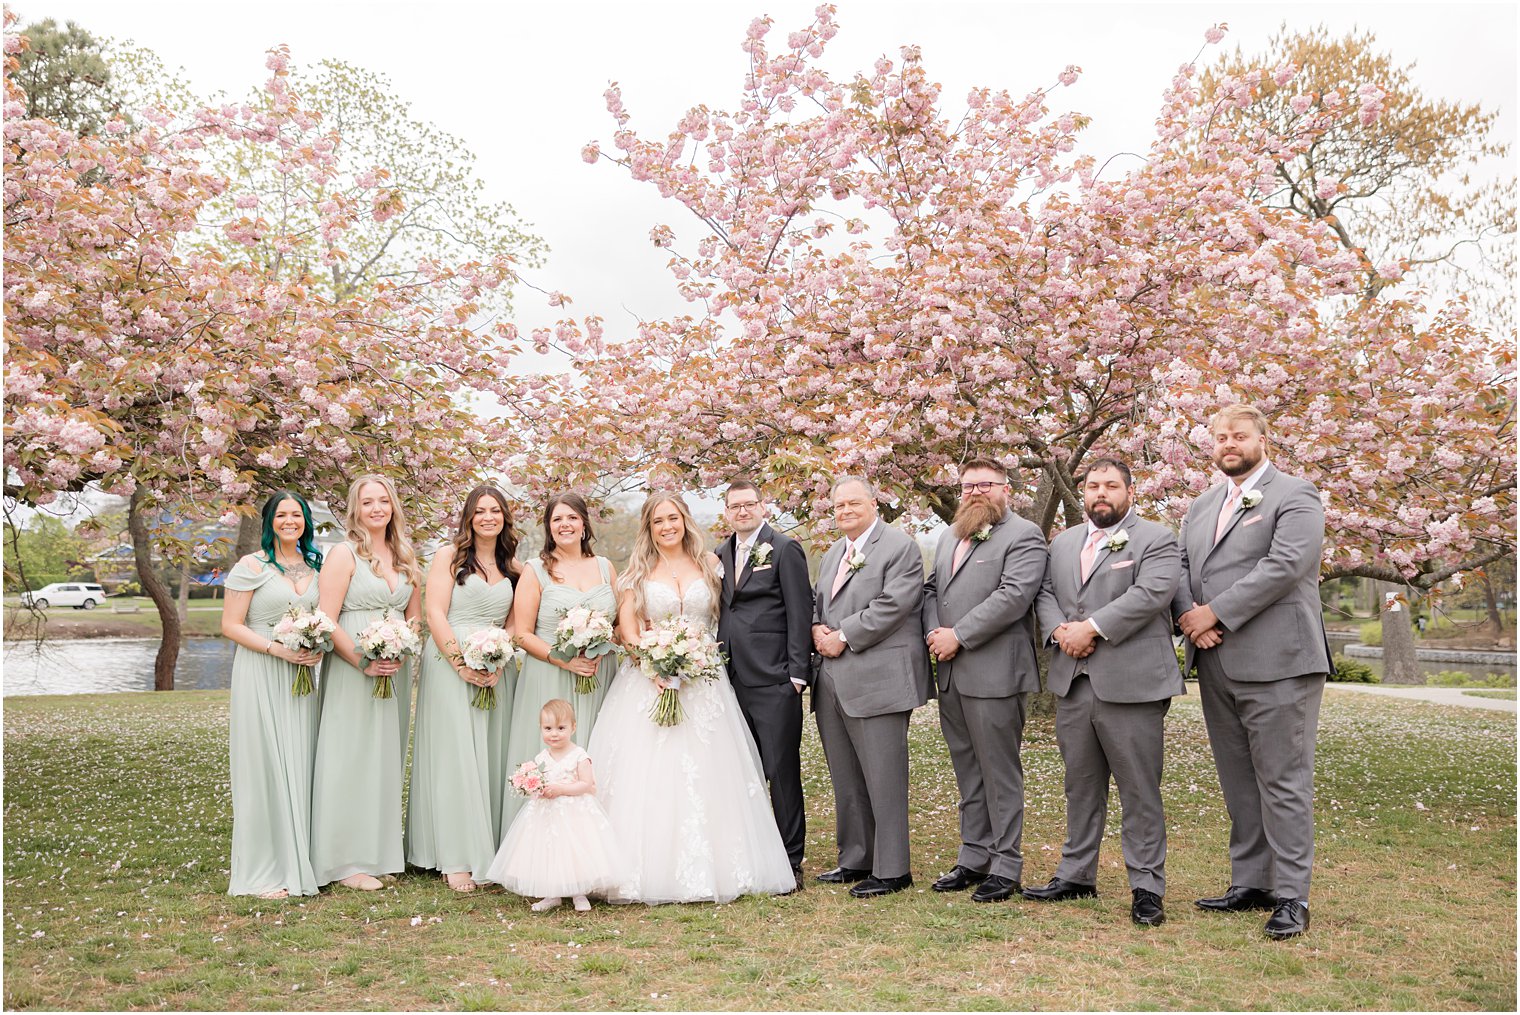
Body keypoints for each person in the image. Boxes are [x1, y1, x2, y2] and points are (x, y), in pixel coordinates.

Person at [587, 492, 795, 904]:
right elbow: (628, 630)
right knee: (649, 773)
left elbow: (729, 617)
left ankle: (722, 866)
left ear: (685, 521)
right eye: (658, 521)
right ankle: (646, 868)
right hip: (650, 681)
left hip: (705, 682)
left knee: (713, 772)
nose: (667, 526)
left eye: (674, 518)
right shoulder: (636, 573)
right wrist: (655, 668)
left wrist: (691, 661)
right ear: (648, 528)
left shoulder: (712, 565)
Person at [1173, 404, 1332, 940]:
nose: (1228, 444)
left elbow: (1285, 566)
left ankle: (1292, 896)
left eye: (1239, 435)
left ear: (1263, 440)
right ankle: (1251, 882)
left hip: (1280, 662)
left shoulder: (1296, 495)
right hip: (1216, 659)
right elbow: (1182, 571)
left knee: (1283, 781)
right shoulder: (1201, 505)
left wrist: (1215, 613)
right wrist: (1192, 621)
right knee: (1238, 779)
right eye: (1219, 437)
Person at [1029, 458, 1183, 926]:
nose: (1101, 493)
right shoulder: (1064, 542)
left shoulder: (1157, 539)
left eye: (1111, 485)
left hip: (1132, 682)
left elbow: (1152, 594)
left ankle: (1147, 887)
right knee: (1080, 784)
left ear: (1129, 493)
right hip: (1073, 681)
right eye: (1093, 485)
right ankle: (1076, 874)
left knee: (1139, 790)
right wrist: (1059, 630)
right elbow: (1044, 592)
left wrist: (1091, 628)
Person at [921, 459, 1047, 903]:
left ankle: (1006, 864)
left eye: (985, 484)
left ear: (1005, 488)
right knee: (968, 770)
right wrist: (936, 632)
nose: (976, 491)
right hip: (952, 673)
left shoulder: (1024, 535)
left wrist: (960, 635)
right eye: (968, 484)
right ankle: (974, 856)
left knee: (998, 772)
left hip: (995, 672)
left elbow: (1014, 597)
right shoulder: (949, 535)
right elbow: (932, 590)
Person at [811, 476, 930, 898]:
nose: (845, 510)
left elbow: (894, 605)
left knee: (884, 776)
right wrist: (816, 628)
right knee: (846, 776)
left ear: (874, 503)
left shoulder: (899, 548)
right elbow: (819, 603)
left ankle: (894, 868)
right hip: (832, 680)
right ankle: (857, 857)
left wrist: (840, 636)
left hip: (878, 679)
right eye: (838, 505)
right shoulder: (831, 555)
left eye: (853, 503)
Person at [310, 474, 422, 891]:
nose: (376, 508)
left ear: (393, 505)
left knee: (383, 757)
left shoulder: (405, 553)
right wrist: (362, 660)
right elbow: (326, 618)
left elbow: (414, 613)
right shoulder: (343, 554)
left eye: (383, 500)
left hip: (394, 667)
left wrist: (401, 644)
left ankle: (376, 852)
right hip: (354, 666)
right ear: (355, 509)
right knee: (350, 756)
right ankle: (344, 861)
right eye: (367, 502)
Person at [406, 485, 519, 892]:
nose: (488, 517)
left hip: (497, 665)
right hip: (450, 662)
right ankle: (454, 855)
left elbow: (515, 618)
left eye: (496, 511)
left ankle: (486, 845)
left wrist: (502, 651)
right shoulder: (448, 557)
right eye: (480, 511)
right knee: (455, 753)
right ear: (468, 517)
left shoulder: (512, 565)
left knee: (490, 752)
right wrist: (460, 663)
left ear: (505, 517)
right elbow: (435, 611)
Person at [222, 490, 326, 898]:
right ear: (269, 522)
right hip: (262, 669)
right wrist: (277, 649)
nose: (289, 521)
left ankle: (301, 858)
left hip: (303, 677)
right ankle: (264, 871)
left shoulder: (316, 564)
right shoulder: (251, 565)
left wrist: (314, 645)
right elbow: (230, 625)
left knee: (302, 761)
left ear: (305, 521)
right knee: (264, 765)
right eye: (281, 515)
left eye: (296, 514)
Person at [715, 478, 814, 886]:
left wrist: (796, 674)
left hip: (775, 678)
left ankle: (791, 858)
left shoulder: (784, 548)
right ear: (726, 512)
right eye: (734, 506)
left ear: (762, 506)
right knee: (747, 769)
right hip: (732, 677)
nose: (742, 511)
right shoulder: (720, 552)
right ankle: (757, 850)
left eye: (748, 504)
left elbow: (799, 608)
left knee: (781, 769)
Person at [503, 493, 618, 831]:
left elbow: (619, 623)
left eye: (571, 518)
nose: (565, 525)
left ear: (584, 524)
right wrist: (564, 661)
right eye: (557, 520)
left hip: (600, 674)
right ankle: (538, 844)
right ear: (549, 528)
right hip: (551, 674)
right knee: (552, 759)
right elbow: (522, 633)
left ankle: (595, 843)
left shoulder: (605, 566)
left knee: (593, 755)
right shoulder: (536, 570)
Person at [487, 699, 623, 912]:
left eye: (561, 728)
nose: (554, 734)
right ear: (541, 728)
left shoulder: (579, 755)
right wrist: (535, 790)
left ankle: (579, 893)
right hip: (547, 813)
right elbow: (539, 783)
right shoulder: (542, 757)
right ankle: (552, 894)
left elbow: (587, 785)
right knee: (548, 850)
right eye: (548, 728)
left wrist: (560, 789)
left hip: (574, 811)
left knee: (575, 849)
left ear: (573, 727)